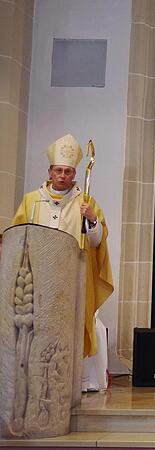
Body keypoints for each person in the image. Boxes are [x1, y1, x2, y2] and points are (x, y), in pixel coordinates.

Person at [10, 133, 113, 358]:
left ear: (74, 174)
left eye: (68, 171)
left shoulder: (85, 201)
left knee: (68, 329)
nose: (63, 176)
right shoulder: (31, 201)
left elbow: (96, 243)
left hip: (72, 278)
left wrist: (92, 219)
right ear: (50, 172)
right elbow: (16, 238)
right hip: (36, 277)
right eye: (58, 170)